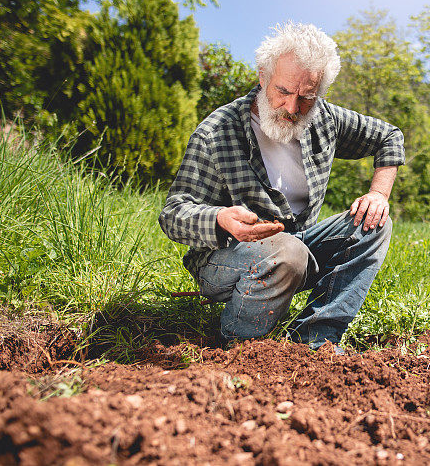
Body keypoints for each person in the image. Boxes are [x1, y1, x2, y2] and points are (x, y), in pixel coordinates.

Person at [159, 22, 404, 351]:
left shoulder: (324, 119)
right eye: (283, 92)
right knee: (287, 252)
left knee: (374, 225)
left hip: (299, 248)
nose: (292, 108)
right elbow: (173, 213)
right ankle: (241, 350)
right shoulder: (216, 132)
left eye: (306, 97)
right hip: (223, 257)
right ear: (262, 76)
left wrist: (378, 194)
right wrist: (219, 218)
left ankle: (315, 341)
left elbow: (389, 137)